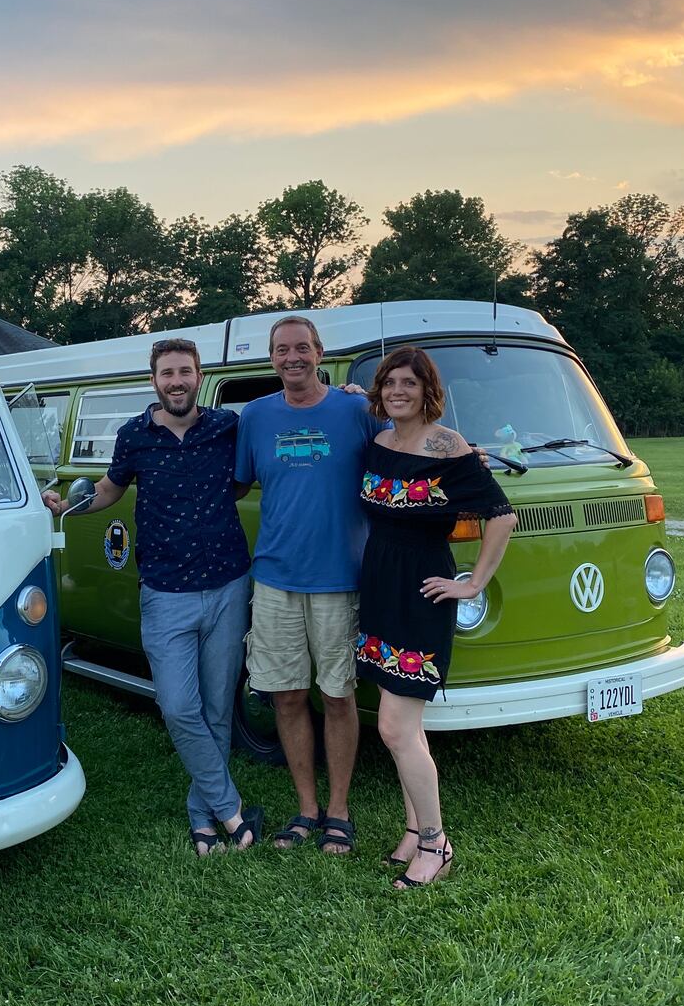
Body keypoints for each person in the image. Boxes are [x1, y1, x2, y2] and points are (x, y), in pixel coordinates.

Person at [45, 338, 263, 855]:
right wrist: (64, 506)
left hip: (228, 585)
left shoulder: (227, 428)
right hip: (164, 592)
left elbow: (255, 462)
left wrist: (345, 394)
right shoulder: (134, 436)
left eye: (185, 372)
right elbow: (109, 489)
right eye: (167, 373)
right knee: (176, 704)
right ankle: (233, 811)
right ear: (154, 380)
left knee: (214, 709)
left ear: (198, 375)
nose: (177, 381)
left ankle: (203, 818)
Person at [358, 346, 515, 888]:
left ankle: (436, 844)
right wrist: (355, 395)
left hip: (424, 593)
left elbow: (501, 513)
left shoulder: (447, 446)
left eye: (409, 383)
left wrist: (473, 583)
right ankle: (411, 829)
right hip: (380, 588)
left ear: (428, 390)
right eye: (389, 383)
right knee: (405, 727)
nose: (398, 391)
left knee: (394, 727)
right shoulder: (378, 442)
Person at [234, 315, 385, 855]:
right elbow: (233, 482)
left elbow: (406, 442)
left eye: (302, 348)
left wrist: (462, 456)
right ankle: (305, 808)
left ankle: (338, 812)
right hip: (275, 577)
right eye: (282, 350)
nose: (292, 357)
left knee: (338, 695)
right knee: (288, 695)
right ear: (271, 359)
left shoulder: (356, 409)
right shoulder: (255, 416)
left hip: (340, 579)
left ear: (320, 353)